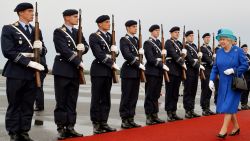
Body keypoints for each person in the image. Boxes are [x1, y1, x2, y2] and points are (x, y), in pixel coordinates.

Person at [1, 2, 46, 141]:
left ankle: (24, 131)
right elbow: (8, 51)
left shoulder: (36, 30)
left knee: (28, 104)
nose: (32, 14)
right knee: (15, 104)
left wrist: (42, 48)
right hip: (16, 71)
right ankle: (14, 132)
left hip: (32, 72)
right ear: (20, 13)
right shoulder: (9, 29)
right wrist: (28, 62)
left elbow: (43, 50)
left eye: (33, 11)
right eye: (29, 11)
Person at [52, 9, 89, 139]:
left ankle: (71, 127)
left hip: (74, 70)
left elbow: (86, 45)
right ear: (66, 18)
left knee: (72, 100)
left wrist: (83, 48)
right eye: (74, 16)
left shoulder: (78, 32)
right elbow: (63, 49)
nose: (76, 18)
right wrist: (78, 60)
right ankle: (61, 128)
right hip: (63, 69)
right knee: (61, 100)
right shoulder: (59, 32)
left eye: (77, 16)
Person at [209, 28, 248, 138]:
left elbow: (245, 65)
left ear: (230, 40)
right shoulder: (219, 52)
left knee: (228, 105)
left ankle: (223, 130)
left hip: (234, 83)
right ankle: (236, 127)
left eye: (224, 39)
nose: (222, 41)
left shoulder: (238, 51)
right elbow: (215, 67)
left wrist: (234, 71)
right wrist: (211, 80)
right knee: (228, 106)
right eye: (220, 39)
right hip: (222, 84)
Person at [89, 15, 119, 134]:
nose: (108, 24)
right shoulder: (94, 36)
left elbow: (114, 53)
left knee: (106, 98)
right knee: (97, 98)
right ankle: (96, 123)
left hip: (108, 71)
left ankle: (104, 122)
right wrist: (111, 63)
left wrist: (116, 51)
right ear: (100, 24)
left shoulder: (111, 36)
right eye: (106, 22)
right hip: (99, 69)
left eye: (109, 22)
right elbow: (98, 53)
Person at [119, 20, 144, 129]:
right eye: (133, 27)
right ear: (128, 28)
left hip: (136, 72)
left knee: (134, 97)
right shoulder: (124, 39)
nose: (135, 28)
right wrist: (138, 63)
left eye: (136, 27)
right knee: (127, 96)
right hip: (129, 71)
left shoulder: (136, 40)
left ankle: (131, 118)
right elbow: (127, 55)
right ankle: (124, 119)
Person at [143, 24, 167, 125]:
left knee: (156, 94)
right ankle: (149, 116)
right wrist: (161, 64)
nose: (157, 32)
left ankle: (155, 115)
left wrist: (165, 54)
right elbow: (150, 58)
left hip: (158, 72)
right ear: (151, 31)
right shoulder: (148, 43)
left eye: (158, 31)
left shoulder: (159, 43)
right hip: (151, 71)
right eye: (156, 30)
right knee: (150, 94)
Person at [164, 26, 186, 121]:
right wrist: (182, 62)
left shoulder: (179, 43)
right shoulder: (169, 42)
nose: (177, 34)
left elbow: (181, 55)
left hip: (178, 71)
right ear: (171, 33)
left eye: (178, 32)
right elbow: (173, 54)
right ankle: (169, 112)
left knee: (175, 93)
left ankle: (174, 111)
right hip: (171, 69)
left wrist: (185, 53)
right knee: (170, 92)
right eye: (175, 32)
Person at [183, 30, 205, 119]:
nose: (192, 37)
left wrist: (200, 57)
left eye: (193, 35)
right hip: (189, 70)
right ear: (186, 37)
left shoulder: (194, 46)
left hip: (195, 71)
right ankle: (187, 110)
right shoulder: (185, 46)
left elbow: (196, 58)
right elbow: (189, 59)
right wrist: (198, 66)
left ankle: (191, 109)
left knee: (193, 91)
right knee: (188, 91)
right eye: (190, 36)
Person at [200, 33, 216, 116]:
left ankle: (207, 107)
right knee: (205, 89)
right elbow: (206, 58)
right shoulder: (202, 48)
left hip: (210, 70)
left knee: (209, 89)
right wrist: (213, 62)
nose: (208, 39)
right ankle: (204, 108)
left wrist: (214, 57)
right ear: (203, 39)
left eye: (209, 38)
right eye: (206, 37)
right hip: (205, 70)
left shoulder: (209, 48)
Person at [240, 44, 250, 110]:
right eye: (244, 48)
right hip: (244, 74)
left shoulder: (248, 56)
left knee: (248, 89)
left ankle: (246, 103)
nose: (245, 49)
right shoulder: (241, 56)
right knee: (244, 90)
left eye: (246, 48)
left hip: (249, 75)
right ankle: (243, 104)